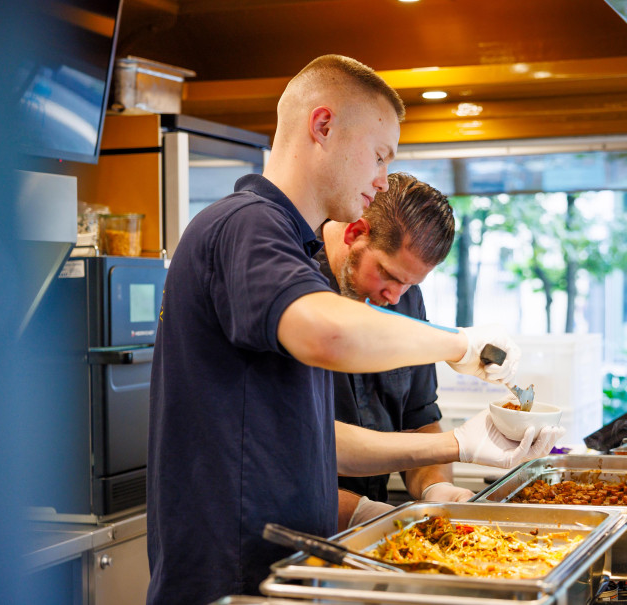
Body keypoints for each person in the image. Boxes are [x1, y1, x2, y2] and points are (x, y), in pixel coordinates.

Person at [147, 54, 565, 605]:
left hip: (289, 571)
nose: (382, 178)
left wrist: (457, 448)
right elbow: (331, 335)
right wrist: (460, 344)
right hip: (232, 578)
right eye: (379, 154)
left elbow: (321, 446)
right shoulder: (246, 224)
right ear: (322, 127)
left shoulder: (290, 248)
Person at [316, 172, 475, 531]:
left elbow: (418, 419)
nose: (396, 297)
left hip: (372, 536)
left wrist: (437, 488)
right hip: (297, 533)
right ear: (356, 234)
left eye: (410, 284)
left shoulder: (404, 297)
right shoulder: (294, 285)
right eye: (387, 274)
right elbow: (285, 458)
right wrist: (368, 517)